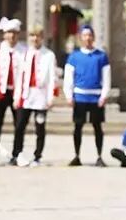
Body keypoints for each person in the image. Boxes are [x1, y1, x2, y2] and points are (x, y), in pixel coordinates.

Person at [64, 24, 110, 166]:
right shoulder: (74, 56)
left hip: (96, 97)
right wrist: (69, 95)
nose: (87, 38)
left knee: (97, 127)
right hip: (80, 96)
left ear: (93, 37)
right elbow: (68, 78)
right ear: (81, 38)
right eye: (84, 35)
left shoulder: (101, 56)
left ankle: (99, 156)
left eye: (90, 35)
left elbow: (106, 77)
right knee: (78, 127)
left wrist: (104, 95)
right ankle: (77, 155)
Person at [12, 25, 56, 167]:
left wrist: (50, 97)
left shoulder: (49, 55)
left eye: (38, 36)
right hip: (26, 94)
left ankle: (37, 155)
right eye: (32, 36)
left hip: (40, 95)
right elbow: (19, 77)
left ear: (42, 38)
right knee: (20, 125)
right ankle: (17, 153)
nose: (35, 39)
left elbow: (52, 78)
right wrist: (16, 96)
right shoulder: (24, 54)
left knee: (40, 127)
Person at [0, 18, 23, 166]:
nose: (11, 36)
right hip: (1, 91)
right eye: (9, 33)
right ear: (4, 34)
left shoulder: (23, 50)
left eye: (14, 33)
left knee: (19, 124)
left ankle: (17, 153)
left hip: (17, 92)